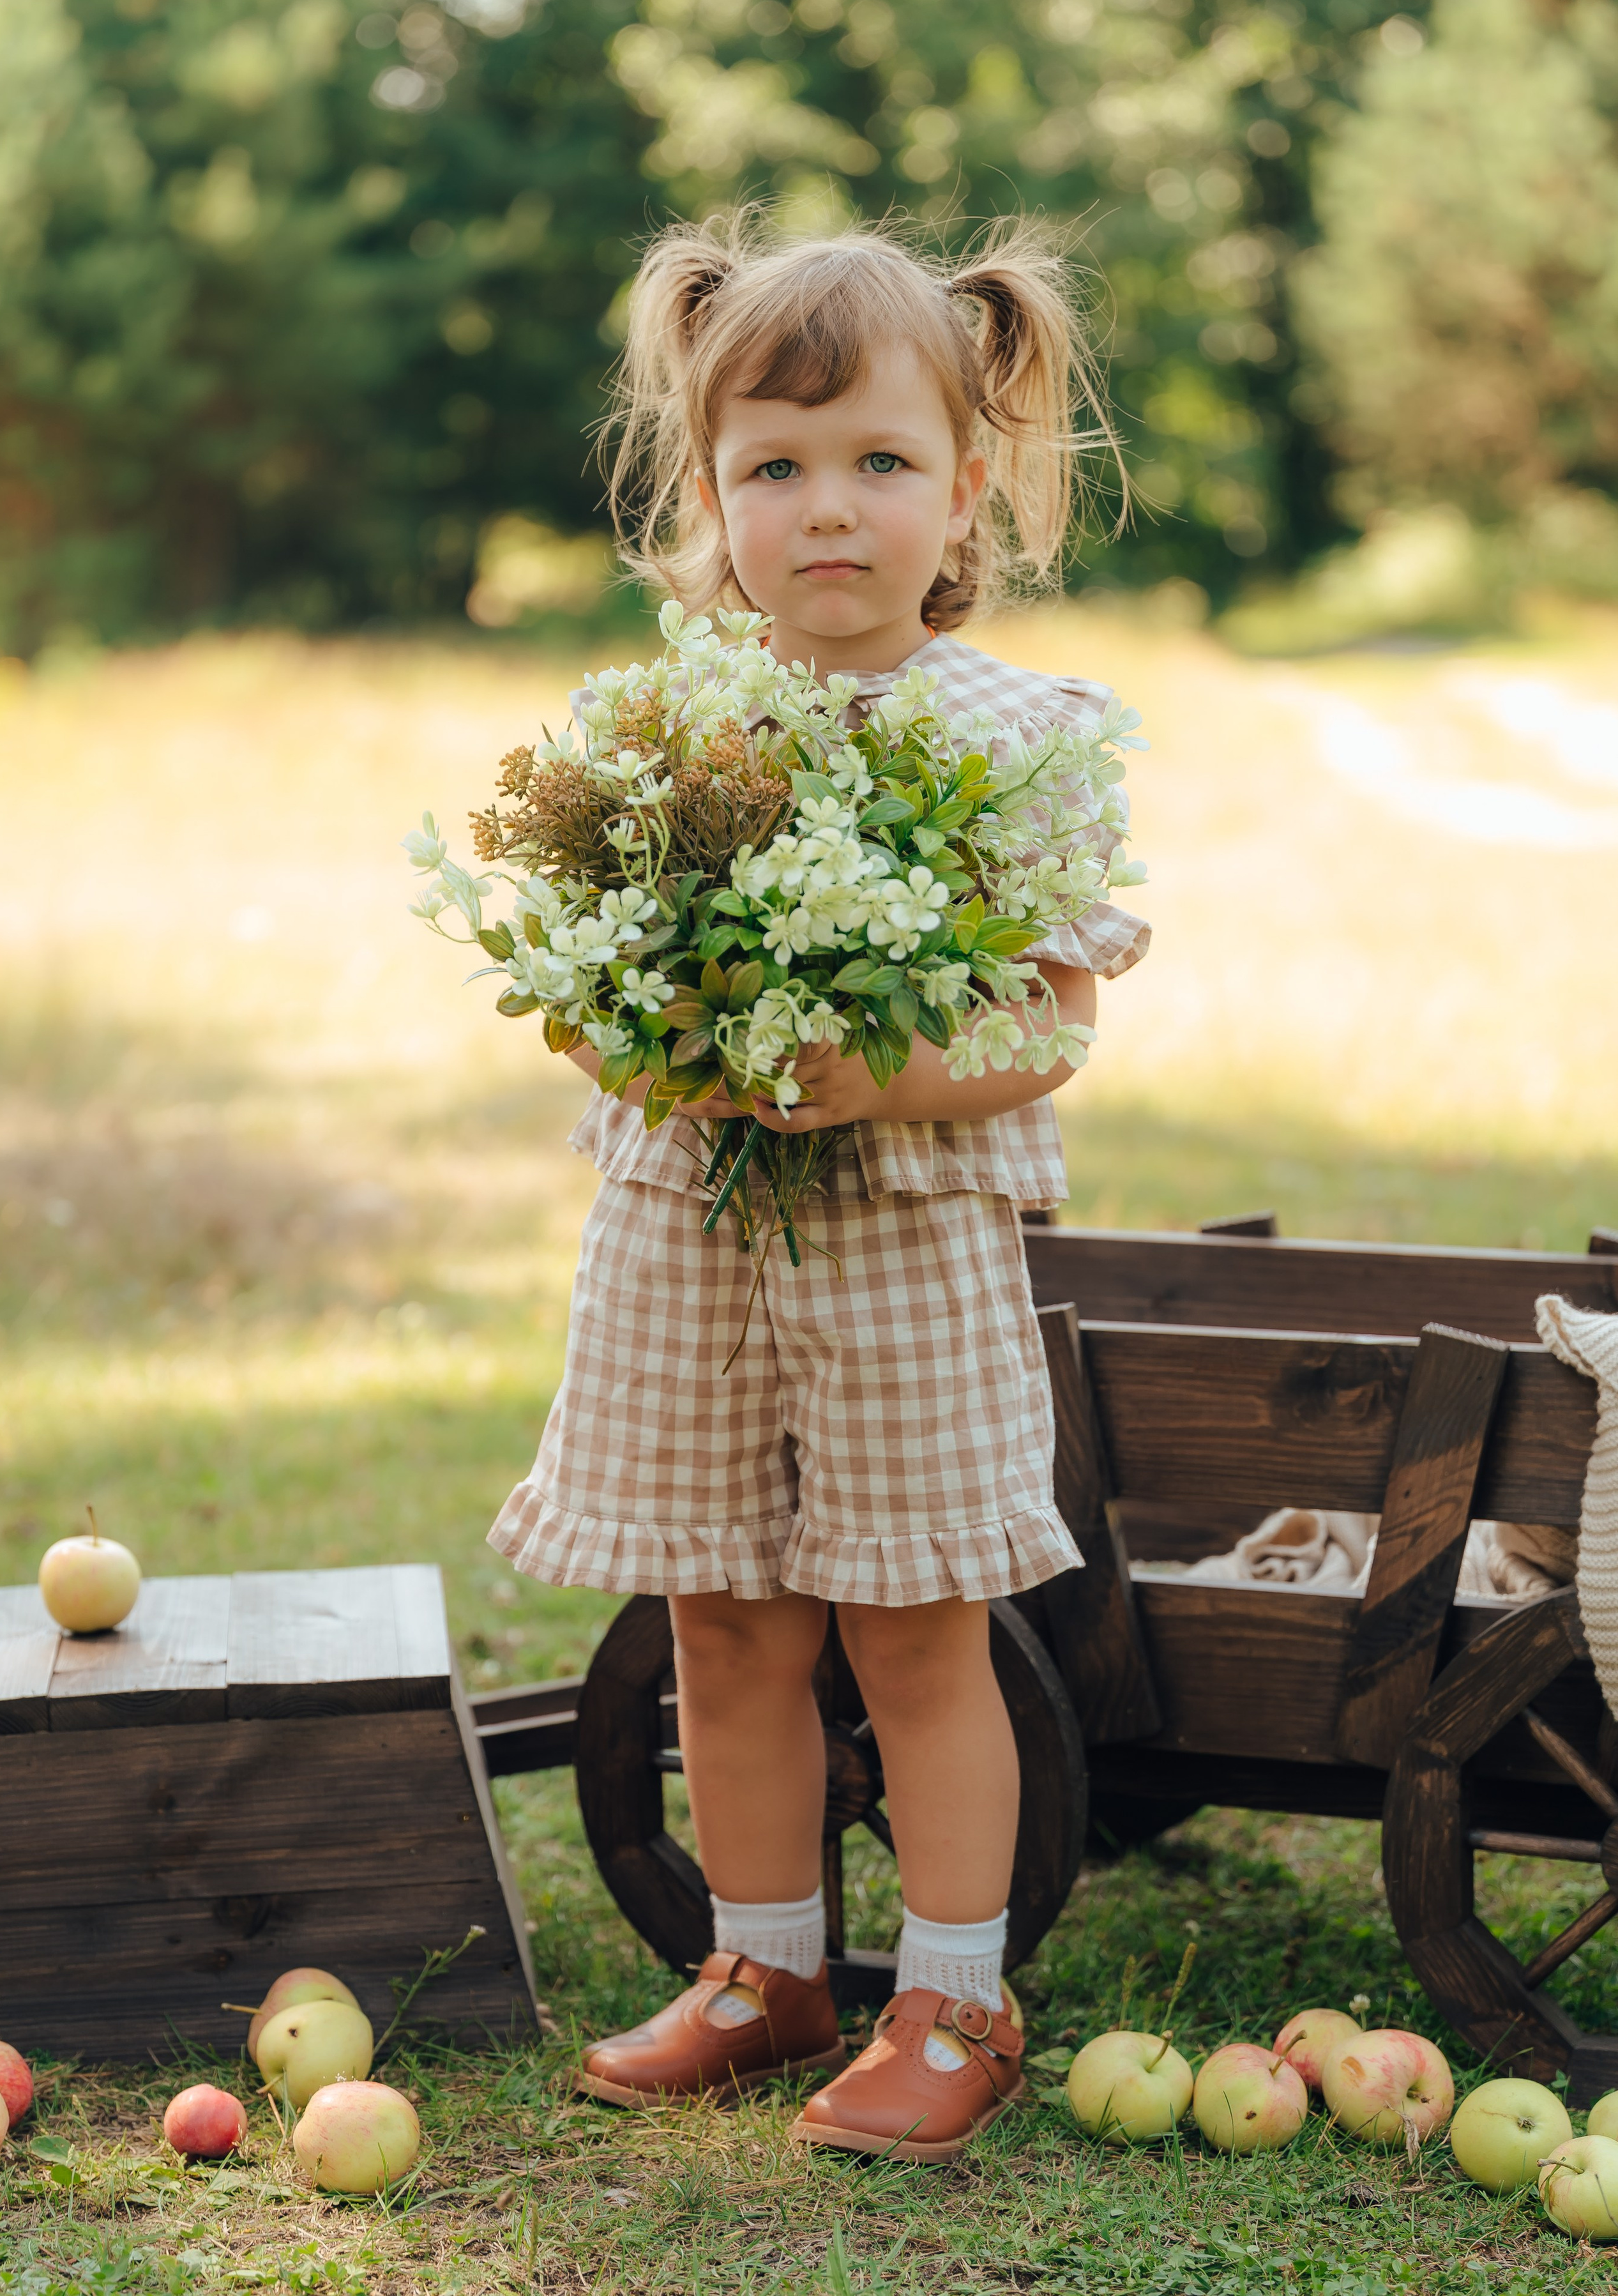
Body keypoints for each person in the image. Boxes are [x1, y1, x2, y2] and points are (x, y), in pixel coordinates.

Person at [488, 215, 1151, 2161]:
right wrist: (646, 1044)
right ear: (710, 497)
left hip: (903, 1243)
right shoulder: (657, 735)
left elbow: (1051, 1026)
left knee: (914, 1626)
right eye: (775, 467)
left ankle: (955, 2001)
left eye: (879, 461)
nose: (830, 509)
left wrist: (882, 1079)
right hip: (687, 1235)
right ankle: (764, 1972)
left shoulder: (1013, 736)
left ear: (969, 488)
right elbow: (587, 993)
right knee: (722, 1617)